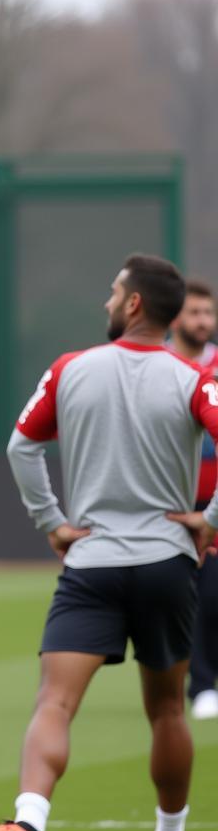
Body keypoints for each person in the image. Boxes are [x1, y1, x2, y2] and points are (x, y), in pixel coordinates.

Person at [0, 255, 218, 831]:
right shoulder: (193, 379)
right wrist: (210, 519)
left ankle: (29, 827)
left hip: (92, 561)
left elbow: (24, 446)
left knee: (55, 701)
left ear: (132, 305)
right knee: (167, 709)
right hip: (166, 562)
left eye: (113, 292)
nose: (106, 301)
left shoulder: (70, 368)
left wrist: (52, 523)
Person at [167, 279, 218, 720]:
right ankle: (199, 683)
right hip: (171, 502)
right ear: (175, 316)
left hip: (213, 501)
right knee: (192, 593)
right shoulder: (158, 365)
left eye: (209, 313)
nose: (203, 321)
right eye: (195, 313)